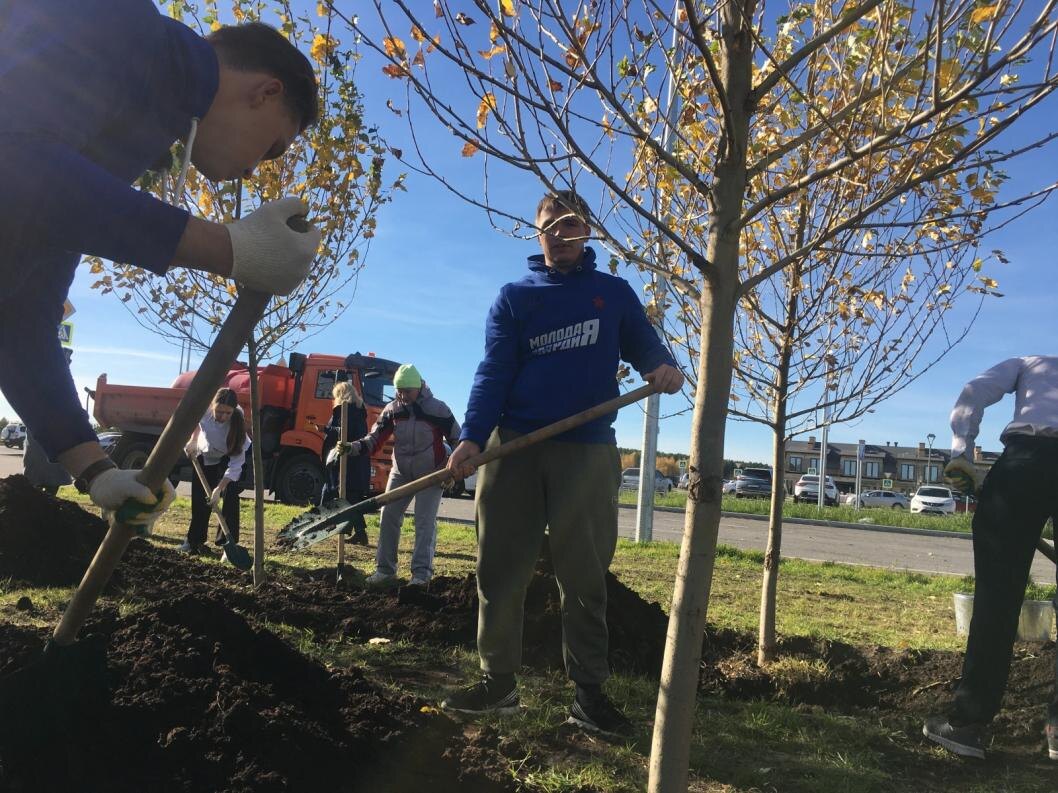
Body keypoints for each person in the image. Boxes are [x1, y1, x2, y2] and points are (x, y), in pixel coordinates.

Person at [0, 0, 322, 532]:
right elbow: (16, 166)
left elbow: (20, 319)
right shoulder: (119, 23)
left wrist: (96, 470)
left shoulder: (132, 123)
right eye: (270, 148)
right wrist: (226, 249)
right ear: (267, 91)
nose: (250, 170)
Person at [441, 189, 684, 737]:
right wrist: (473, 437)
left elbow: (646, 345)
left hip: (587, 448)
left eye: (571, 224)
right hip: (516, 446)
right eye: (550, 224)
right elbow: (493, 372)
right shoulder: (515, 297)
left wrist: (661, 366)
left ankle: (589, 695)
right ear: (538, 231)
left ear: (588, 230)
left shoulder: (613, 295)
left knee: (584, 573)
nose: (560, 233)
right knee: (499, 569)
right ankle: (498, 683)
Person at [923, 356, 1058, 761]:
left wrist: (961, 451)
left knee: (998, 597)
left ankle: (968, 724)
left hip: (1024, 466)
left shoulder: (1031, 363)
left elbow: (974, 392)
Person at [345, 364, 460, 588]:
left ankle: (420, 576)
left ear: (419, 387)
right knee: (388, 515)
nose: (402, 395)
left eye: (407, 390)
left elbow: (458, 439)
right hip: (401, 472)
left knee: (424, 522)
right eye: (399, 390)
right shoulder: (392, 410)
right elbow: (374, 438)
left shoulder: (438, 410)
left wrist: (451, 469)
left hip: (432, 473)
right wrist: (353, 447)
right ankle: (385, 571)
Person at [181, 388, 250, 553]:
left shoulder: (237, 421)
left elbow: (235, 465)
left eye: (227, 413)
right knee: (200, 498)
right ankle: (194, 541)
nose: (223, 416)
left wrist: (219, 489)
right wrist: (193, 440)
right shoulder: (203, 408)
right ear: (213, 406)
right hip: (207, 452)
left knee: (230, 497)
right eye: (219, 411)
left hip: (230, 454)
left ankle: (227, 546)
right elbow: (197, 422)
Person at [320, 380, 370, 545]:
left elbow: (344, 433)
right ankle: (356, 531)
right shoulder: (359, 410)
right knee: (350, 498)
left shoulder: (345, 410)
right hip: (355, 461)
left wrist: (325, 429)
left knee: (337, 494)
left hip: (347, 460)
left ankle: (321, 526)